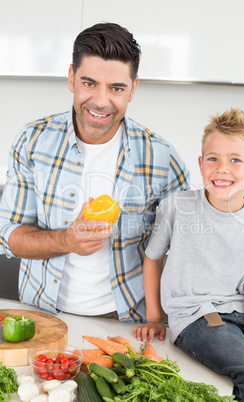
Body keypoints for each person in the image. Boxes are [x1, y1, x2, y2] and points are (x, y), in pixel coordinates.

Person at [0, 22, 190, 322]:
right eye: (89, 83)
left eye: (116, 88)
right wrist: (66, 240)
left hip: (126, 320)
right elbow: (9, 234)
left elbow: (184, 250)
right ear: (71, 78)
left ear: (133, 89)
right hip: (41, 317)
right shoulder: (32, 140)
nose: (101, 102)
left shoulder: (162, 158)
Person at [134, 108, 244, 401]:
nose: (222, 169)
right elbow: (152, 258)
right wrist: (155, 317)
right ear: (201, 163)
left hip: (242, 314)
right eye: (213, 159)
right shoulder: (177, 207)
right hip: (196, 316)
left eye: (235, 160)